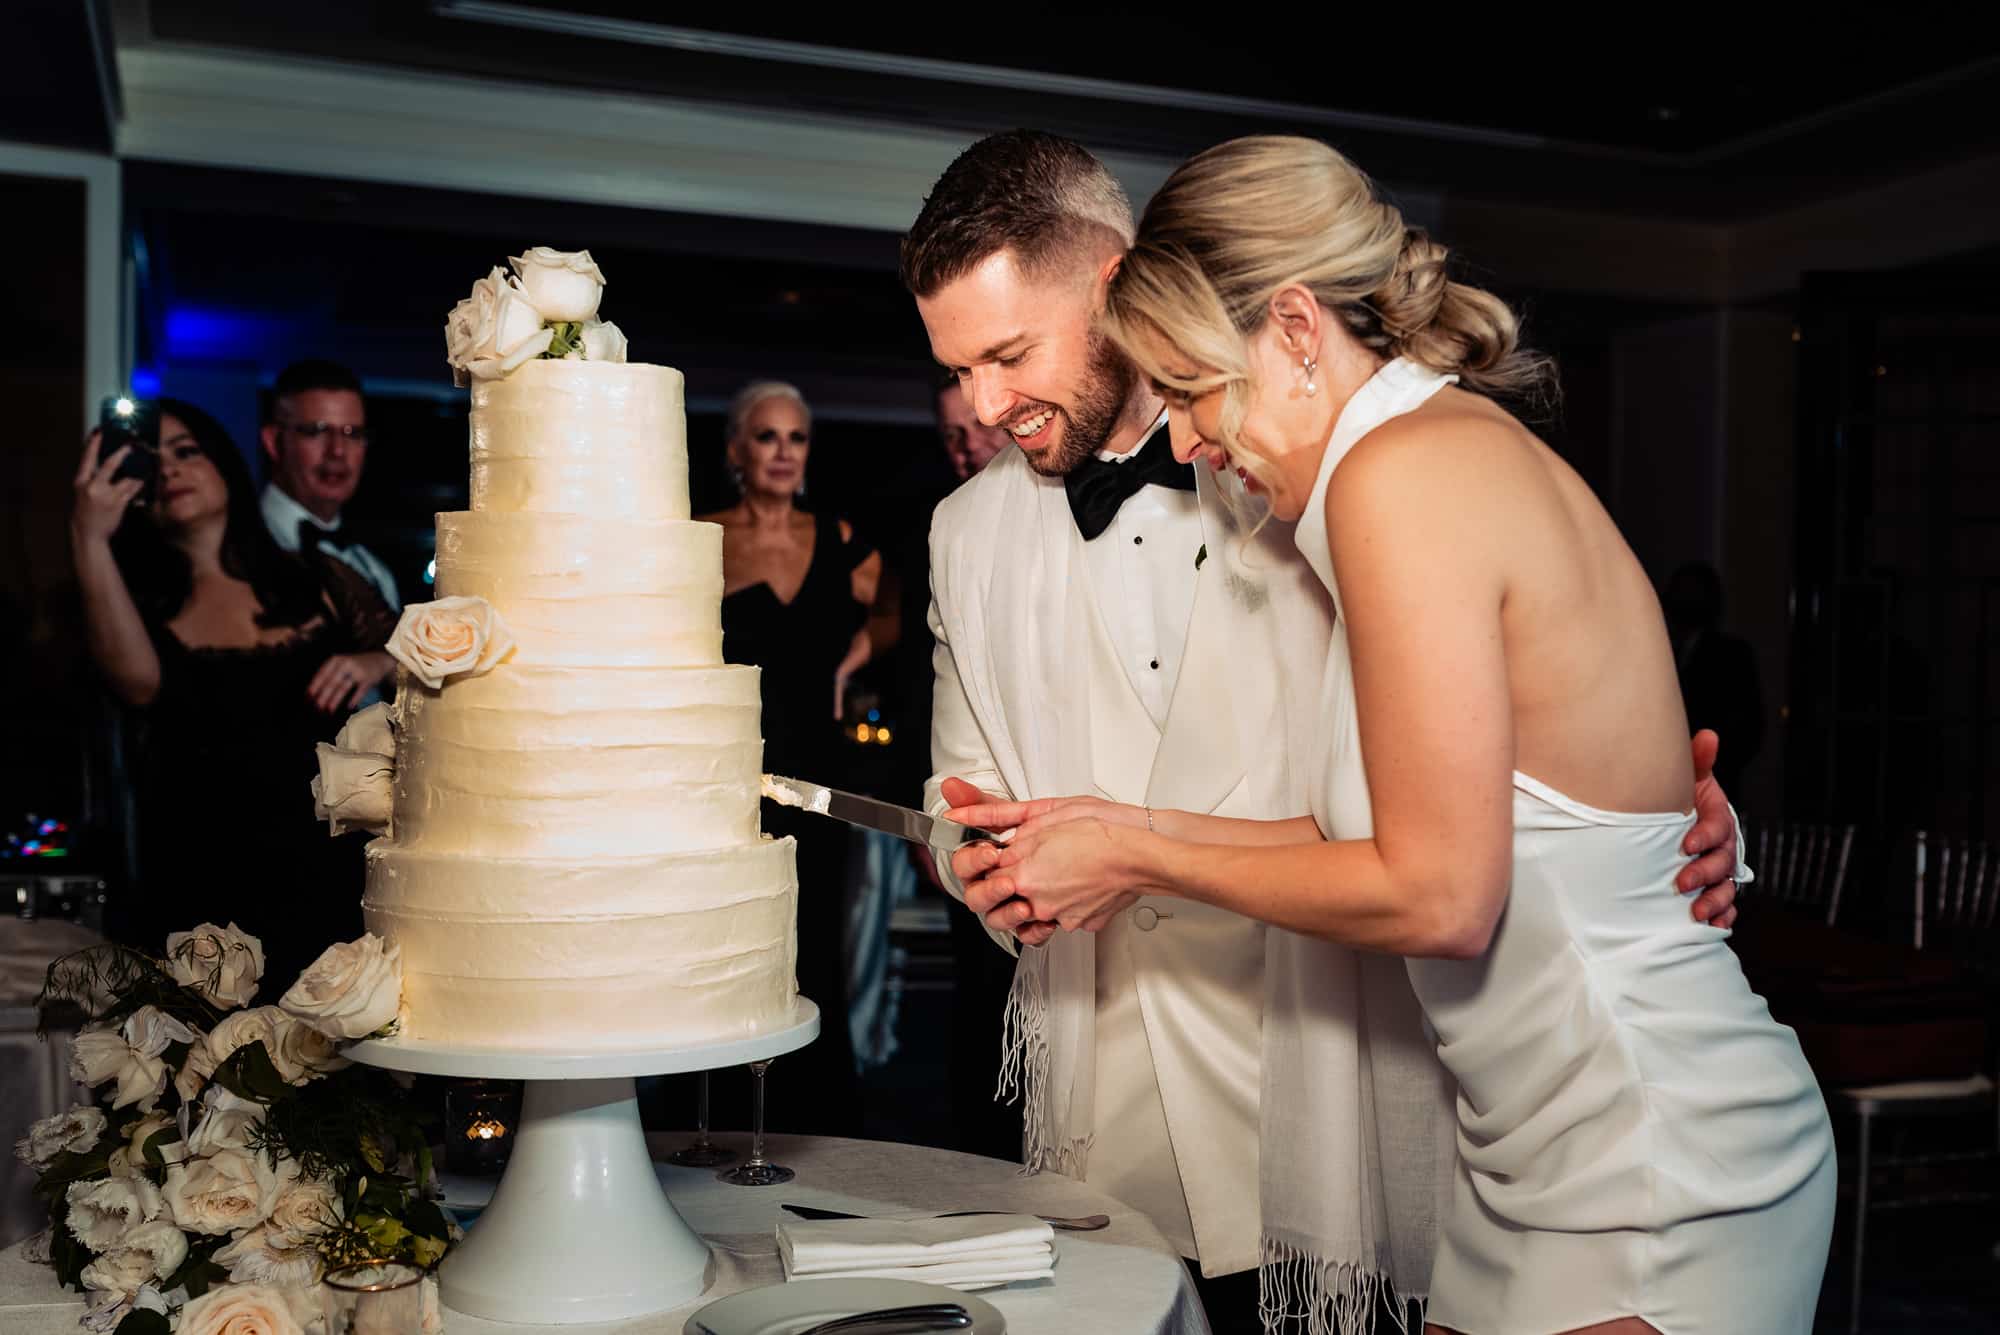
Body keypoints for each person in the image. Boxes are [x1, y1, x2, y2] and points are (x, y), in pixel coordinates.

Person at [949, 135, 1835, 1335]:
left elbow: (1439, 895)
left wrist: (1140, 855)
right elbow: (1369, 820)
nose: (1195, 441)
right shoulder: (1390, 468)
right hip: (1515, 1169)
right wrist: (1114, 827)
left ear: (1298, 331)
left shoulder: (1398, 476)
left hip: (1652, 1161)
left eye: (1199, 390)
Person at [70, 398, 398, 991]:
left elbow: (420, 665)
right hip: (204, 894)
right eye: (151, 458)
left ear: (224, 463)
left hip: (328, 880)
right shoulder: (137, 605)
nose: (170, 469)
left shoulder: (319, 579)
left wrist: (375, 657)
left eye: (187, 451)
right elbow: (138, 684)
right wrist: (88, 534)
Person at [703, 380, 881, 1130]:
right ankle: (710, 1125)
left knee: (815, 951)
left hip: (819, 778)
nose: (783, 451)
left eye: (797, 437)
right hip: (725, 780)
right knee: (725, 948)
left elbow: (914, 608)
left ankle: (814, 1128)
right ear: (737, 449)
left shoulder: (843, 541)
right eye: (768, 436)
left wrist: (859, 655)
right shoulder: (700, 535)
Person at [259, 359, 400, 613]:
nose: (337, 451)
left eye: (352, 434)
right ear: (274, 442)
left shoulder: (375, 572)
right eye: (317, 431)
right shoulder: (232, 546)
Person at [1661, 561, 1765, 795]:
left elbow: (1746, 727)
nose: (1683, 600)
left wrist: (1709, 768)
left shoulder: (1731, 655)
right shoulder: (1659, 652)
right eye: (1679, 592)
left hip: (1713, 784)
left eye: (1691, 593)